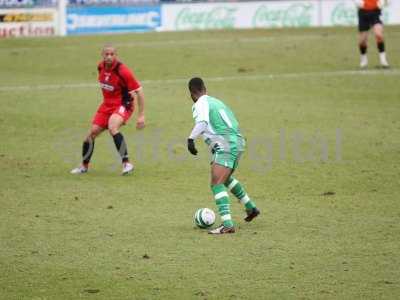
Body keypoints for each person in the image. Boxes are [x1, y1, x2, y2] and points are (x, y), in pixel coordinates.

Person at [186, 77, 260, 234]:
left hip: (226, 144)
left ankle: (227, 224)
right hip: (238, 142)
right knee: (224, 179)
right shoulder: (217, 102)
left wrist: (191, 139)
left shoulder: (199, 103)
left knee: (216, 183)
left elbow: (203, 122)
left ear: (192, 94)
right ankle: (250, 207)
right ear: (205, 88)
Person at [71, 45, 145, 175]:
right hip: (107, 105)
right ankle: (84, 166)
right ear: (102, 55)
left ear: (116, 55)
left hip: (124, 104)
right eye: (106, 54)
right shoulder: (100, 67)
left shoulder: (123, 71)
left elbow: (139, 91)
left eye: (112, 54)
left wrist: (141, 116)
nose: (109, 57)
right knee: (91, 134)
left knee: (112, 126)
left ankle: (127, 163)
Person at [355, 0, 389, 68]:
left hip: (375, 11)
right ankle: (363, 59)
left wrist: (382, 2)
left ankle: (383, 61)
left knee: (378, 34)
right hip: (363, 13)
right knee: (362, 41)